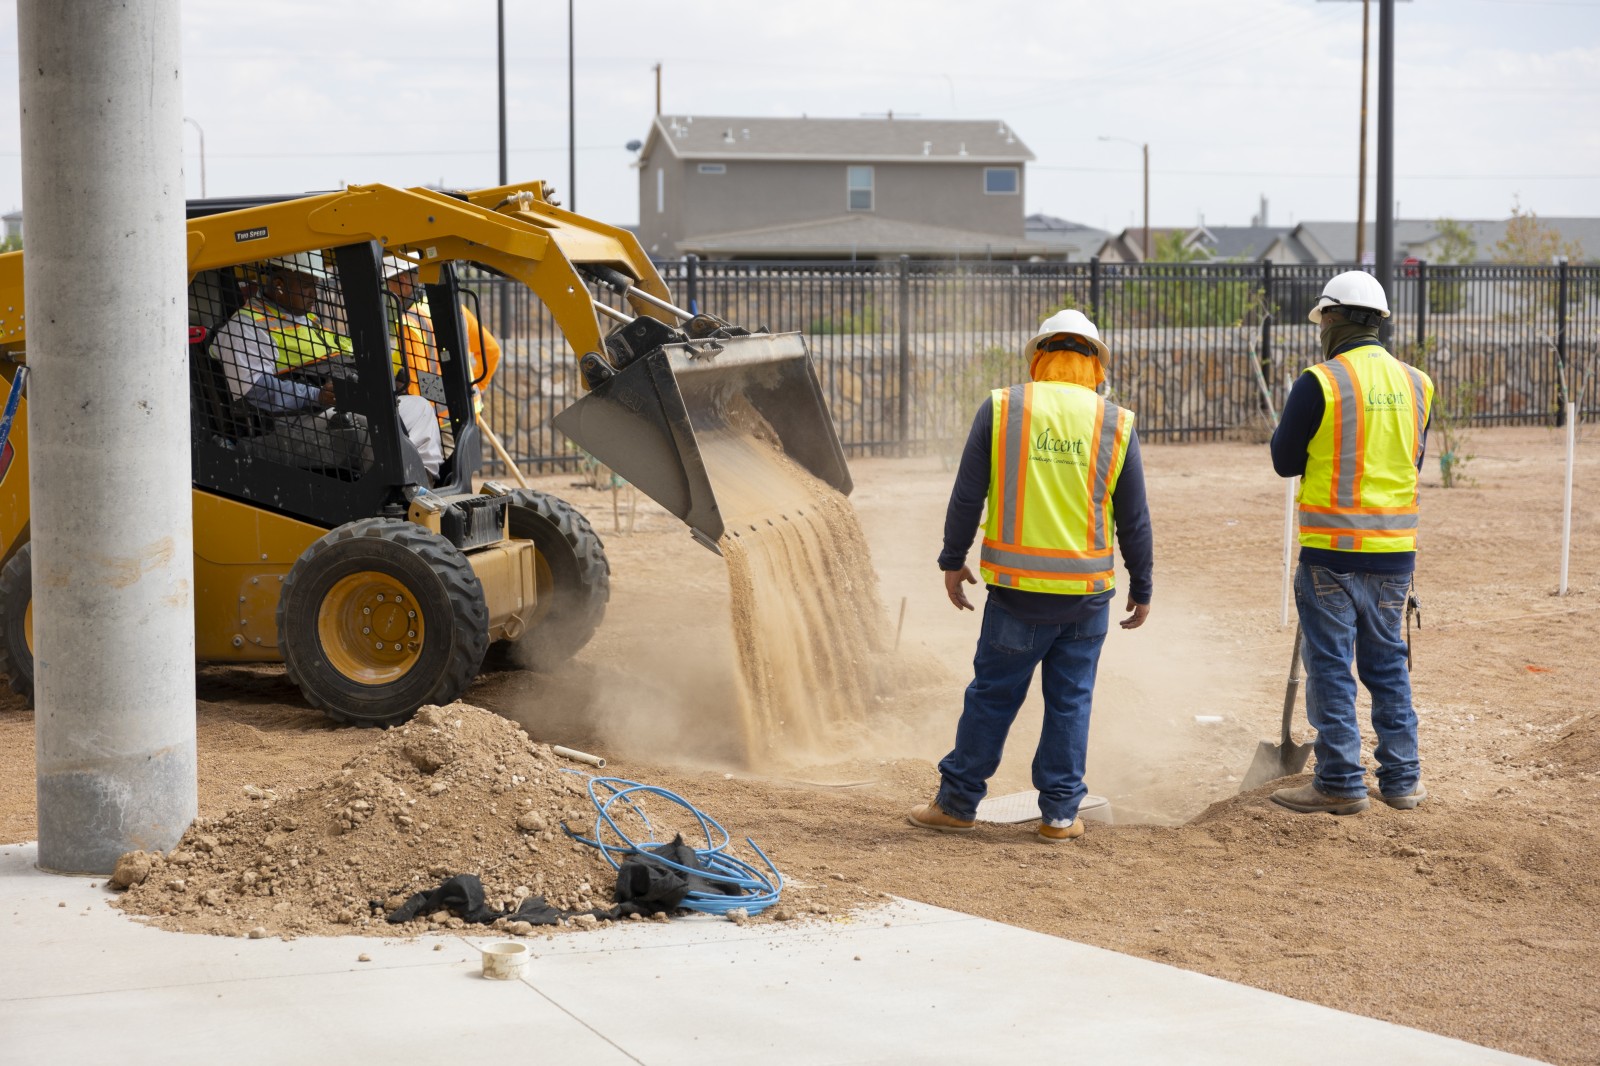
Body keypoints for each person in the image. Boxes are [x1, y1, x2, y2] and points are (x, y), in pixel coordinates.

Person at [908, 309, 1153, 844]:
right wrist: (1144, 586)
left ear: (1039, 356)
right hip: (1088, 598)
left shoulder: (1003, 408)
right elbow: (1133, 517)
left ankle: (956, 804)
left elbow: (967, 494)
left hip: (1017, 595)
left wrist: (953, 560)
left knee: (993, 695)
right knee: (1071, 701)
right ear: (1096, 366)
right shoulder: (1116, 422)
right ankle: (1060, 815)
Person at [1269, 270, 1435, 815]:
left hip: (1331, 556)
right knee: (1387, 665)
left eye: (1324, 320)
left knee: (1331, 666)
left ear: (1335, 318)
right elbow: (1410, 460)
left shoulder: (1320, 381)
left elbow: (1285, 461)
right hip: (1394, 554)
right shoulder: (1418, 383)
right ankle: (1402, 781)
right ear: (1380, 322)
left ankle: (1339, 782)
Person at [209, 251, 368, 472]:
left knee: (417, 409)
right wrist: (317, 395)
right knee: (369, 427)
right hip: (293, 419)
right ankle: (400, 496)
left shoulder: (308, 319)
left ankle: (421, 493)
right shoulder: (245, 326)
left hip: (338, 402)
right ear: (279, 284)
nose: (314, 294)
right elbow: (254, 390)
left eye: (317, 285)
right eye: (306, 285)